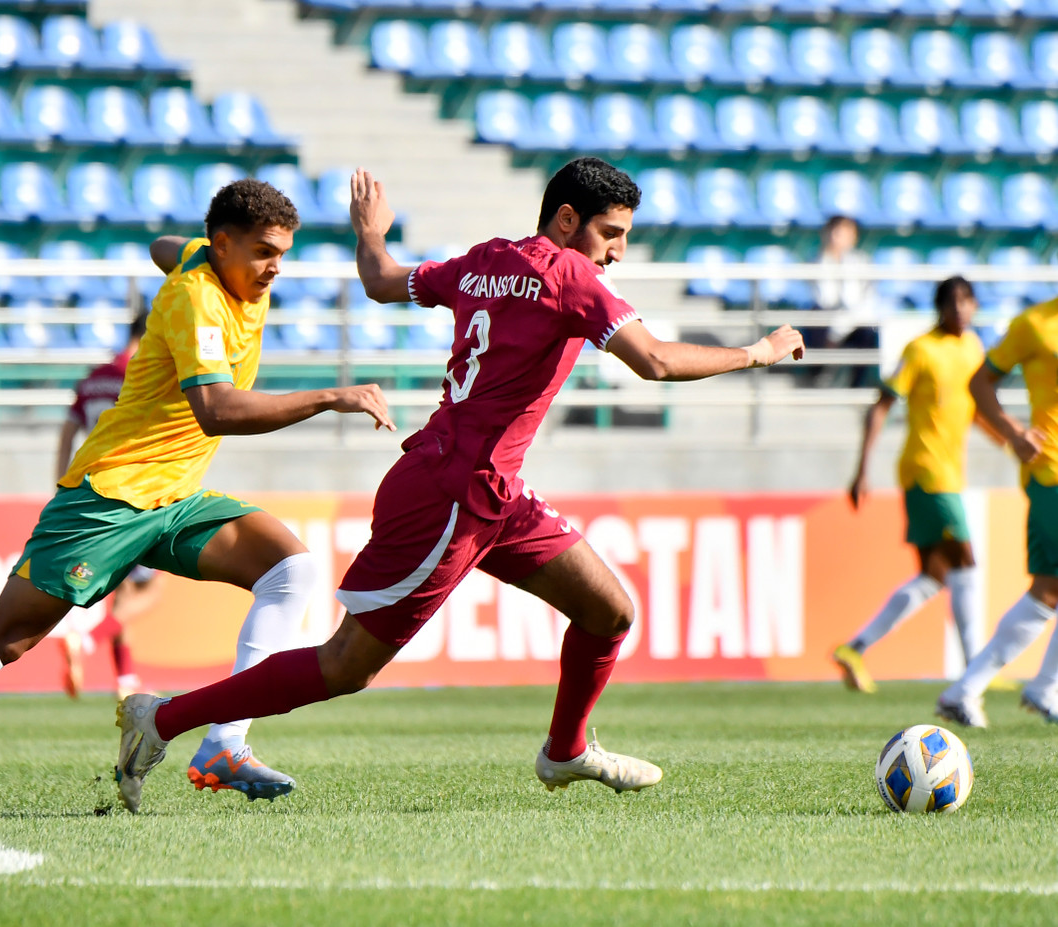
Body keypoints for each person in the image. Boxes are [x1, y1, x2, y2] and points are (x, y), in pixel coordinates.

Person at [112, 158, 806, 813]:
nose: (617, 252)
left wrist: (371, 233)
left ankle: (565, 752)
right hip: (451, 495)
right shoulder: (569, 273)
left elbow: (381, 280)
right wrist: (759, 351)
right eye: (610, 233)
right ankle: (162, 718)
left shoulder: (486, 259)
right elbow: (653, 361)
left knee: (609, 612)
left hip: (490, 490)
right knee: (347, 665)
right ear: (567, 220)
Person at [0, 179, 398, 811]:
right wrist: (332, 396)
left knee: (291, 570)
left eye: (283, 254)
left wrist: (190, 254)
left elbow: (164, 247)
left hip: (172, 498)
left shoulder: (206, 261)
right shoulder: (198, 299)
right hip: (110, 495)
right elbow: (216, 410)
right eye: (264, 252)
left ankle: (225, 743)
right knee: (4, 639)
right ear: (223, 245)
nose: (276, 268)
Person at [834, 277, 1002, 693]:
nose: (960, 309)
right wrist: (861, 469)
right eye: (952, 302)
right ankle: (975, 669)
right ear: (939, 307)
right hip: (927, 470)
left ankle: (855, 648)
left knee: (933, 576)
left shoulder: (973, 347)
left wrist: (1009, 437)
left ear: (976, 306)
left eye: (967, 301)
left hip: (950, 471)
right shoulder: (920, 350)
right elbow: (882, 406)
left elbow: (973, 407)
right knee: (966, 561)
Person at [936, 296, 1058, 728]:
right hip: (1052, 470)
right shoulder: (1035, 324)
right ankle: (1044, 687)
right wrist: (1012, 433)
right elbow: (979, 382)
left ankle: (965, 692)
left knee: (1047, 591)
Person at [54, 315, 163, 701]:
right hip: (130, 493)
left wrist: (61, 485)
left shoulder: (93, 378)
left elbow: (68, 432)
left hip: (87, 490)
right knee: (153, 588)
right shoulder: (138, 374)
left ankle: (125, 681)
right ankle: (85, 641)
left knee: (125, 591)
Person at [810, 215, 879, 389]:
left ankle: (856, 387)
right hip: (826, 322)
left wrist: (838, 331)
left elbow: (862, 303)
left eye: (844, 233)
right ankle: (818, 374)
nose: (837, 238)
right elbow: (825, 300)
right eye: (835, 232)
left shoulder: (862, 263)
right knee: (816, 320)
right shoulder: (816, 262)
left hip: (851, 323)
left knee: (867, 333)